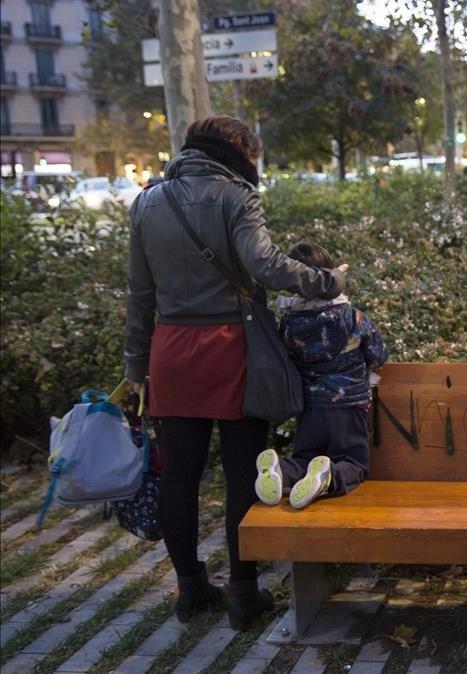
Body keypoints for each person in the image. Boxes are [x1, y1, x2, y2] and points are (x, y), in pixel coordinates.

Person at [124, 116, 345, 630]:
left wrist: (136, 365)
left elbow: (139, 293)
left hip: (172, 350)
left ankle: (191, 590)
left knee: (179, 473)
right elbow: (265, 265)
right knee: (246, 470)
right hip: (232, 346)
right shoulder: (236, 196)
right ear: (240, 152)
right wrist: (326, 281)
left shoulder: (147, 202)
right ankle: (245, 593)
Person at [255, 241, 388, 510]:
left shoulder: (290, 324)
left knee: (305, 457)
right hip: (348, 407)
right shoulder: (353, 317)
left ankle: (282, 469)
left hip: (310, 408)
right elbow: (378, 355)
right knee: (353, 464)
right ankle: (328, 478)